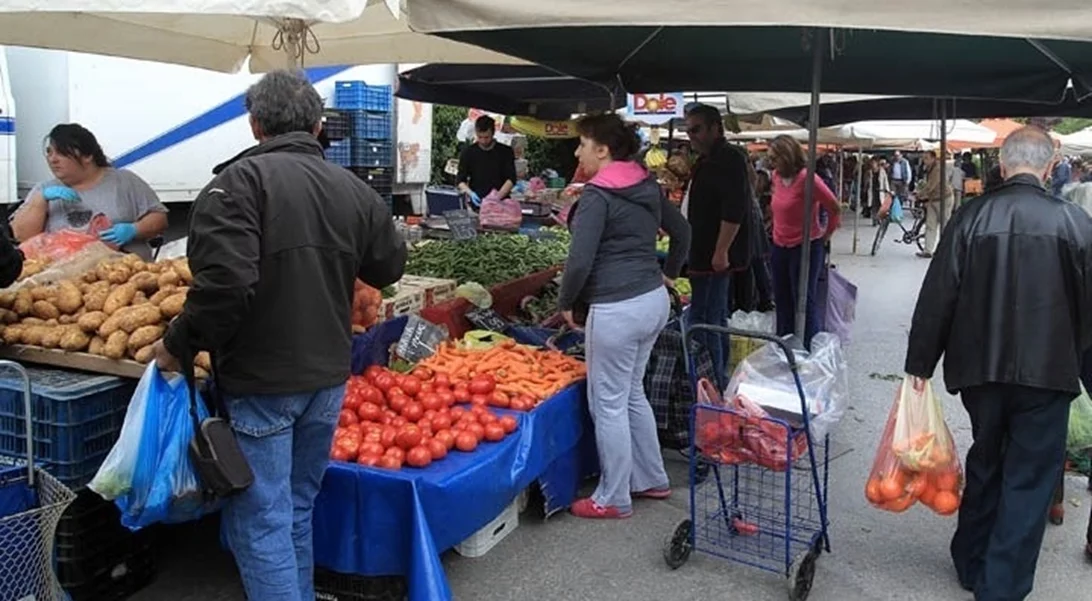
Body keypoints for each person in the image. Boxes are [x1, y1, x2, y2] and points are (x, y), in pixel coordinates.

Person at [152, 70, 407, 601]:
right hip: (328, 377)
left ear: (254, 124)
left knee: (262, 517)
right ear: (317, 125)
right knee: (294, 507)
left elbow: (225, 286)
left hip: (262, 379)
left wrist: (179, 342)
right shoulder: (354, 190)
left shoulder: (235, 184)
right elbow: (387, 267)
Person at [904, 126, 1092, 600]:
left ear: (1002, 166)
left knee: (988, 454)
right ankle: (1001, 586)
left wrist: (919, 367)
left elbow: (937, 297)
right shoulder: (1075, 223)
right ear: (1049, 168)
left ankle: (971, 558)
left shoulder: (970, 217)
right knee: (1030, 476)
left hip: (980, 371)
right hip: (1048, 372)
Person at [558, 113, 690, 519]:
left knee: (608, 403)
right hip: (652, 299)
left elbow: (579, 261)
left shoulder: (598, 194)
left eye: (582, 143)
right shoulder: (646, 184)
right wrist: (668, 275)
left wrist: (566, 301)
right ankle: (652, 478)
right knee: (632, 392)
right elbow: (682, 232)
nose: (578, 151)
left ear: (602, 149)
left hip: (617, 307)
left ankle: (613, 497)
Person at [10, 123, 168, 259]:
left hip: (124, 271)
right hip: (64, 277)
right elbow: (21, 237)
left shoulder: (124, 181)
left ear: (87, 156)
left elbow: (159, 219)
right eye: (49, 152)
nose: (53, 159)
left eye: (61, 153)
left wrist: (134, 229)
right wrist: (41, 201)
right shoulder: (43, 189)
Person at [682, 104, 752, 390]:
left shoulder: (729, 158)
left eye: (696, 129)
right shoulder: (708, 158)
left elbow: (734, 208)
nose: (691, 136)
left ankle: (709, 382)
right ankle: (713, 378)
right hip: (702, 252)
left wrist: (721, 250)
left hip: (712, 256)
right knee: (711, 316)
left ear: (715, 127)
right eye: (688, 130)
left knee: (705, 320)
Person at [767, 135, 841, 347]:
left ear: (787, 156)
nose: (772, 163)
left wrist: (825, 235)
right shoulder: (776, 177)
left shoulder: (808, 179)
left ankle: (810, 348)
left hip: (805, 246)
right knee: (782, 299)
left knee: (803, 300)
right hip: (779, 245)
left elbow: (834, 208)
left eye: (775, 158)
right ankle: (784, 346)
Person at [456, 115, 517, 206]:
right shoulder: (468, 152)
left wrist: (497, 197)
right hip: (477, 203)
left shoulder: (505, 152)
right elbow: (460, 180)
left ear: (493, 133)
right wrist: (471, 194)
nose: (483, 141)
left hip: (501, 203)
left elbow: (511, 179)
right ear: (476, 133)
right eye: (480, 137)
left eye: (487, 137)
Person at [916, 150, 955, 259]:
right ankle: (928, 251)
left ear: (933, 158)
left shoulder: (938, 169)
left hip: (944, 199)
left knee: (945, 225)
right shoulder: (928, 169)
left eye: (926, 158)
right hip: (933, 200)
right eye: (923, 158)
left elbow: (931, 186)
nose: (924, 161)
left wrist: (920, 195)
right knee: (930, 225)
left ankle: (946, 250)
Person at [862, 155, 893, 224]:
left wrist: (887, 190)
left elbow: (885, 181)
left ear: (877, 163)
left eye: (874, 163)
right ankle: (874, 219)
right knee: (873, 206)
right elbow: (866, 182)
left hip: (881, 190)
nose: (873, 164)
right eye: (872, 163)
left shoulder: (882, 171)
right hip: (872, 190)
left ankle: (879, 218)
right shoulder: (869, 172)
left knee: (880, 205)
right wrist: (865, 188)